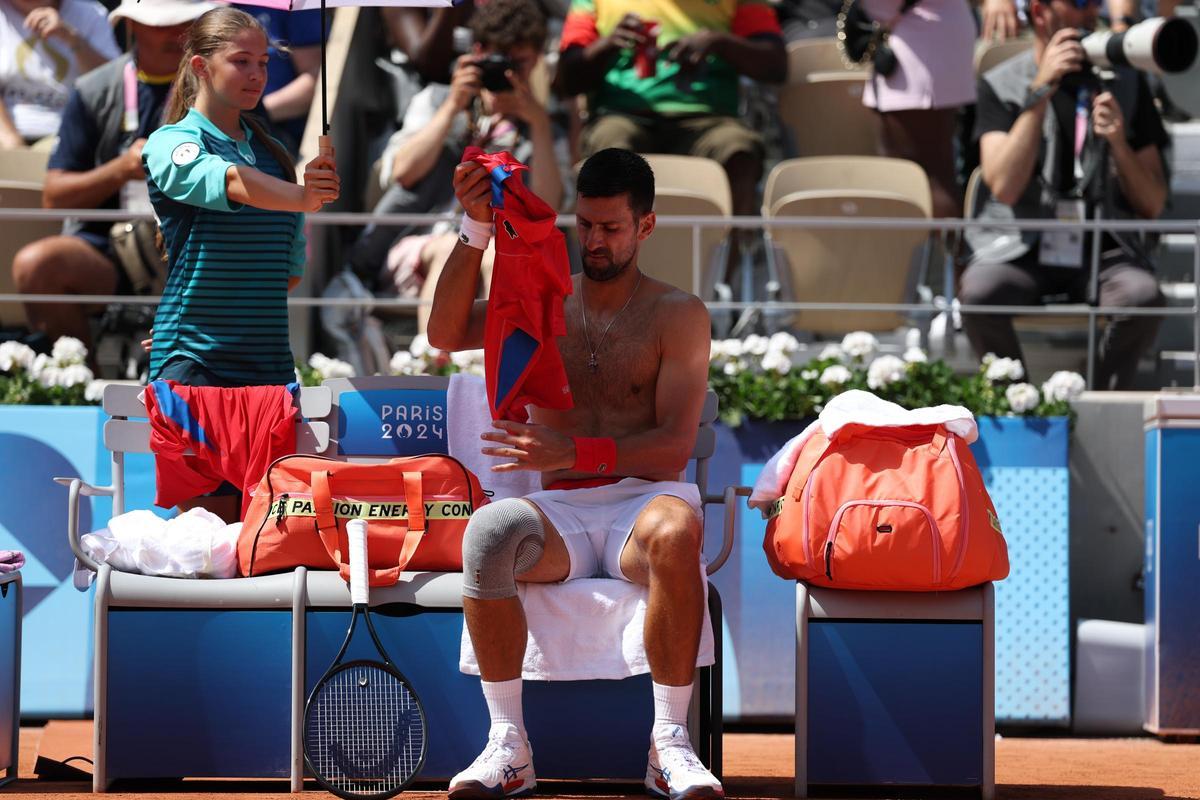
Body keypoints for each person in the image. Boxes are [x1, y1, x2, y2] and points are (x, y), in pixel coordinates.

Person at [428, 147, 720, 800]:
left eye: (611, 227)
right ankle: (509, 746)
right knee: (487, 534)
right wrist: (475, 229)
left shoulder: (679, 314)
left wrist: (574, 455)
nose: (594, 240)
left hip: (643, 507)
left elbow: (672, 445)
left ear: (646, 226)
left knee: (678, 532)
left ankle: (668, 743)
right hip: (561, 518)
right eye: (585, 224)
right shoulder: (543, 299)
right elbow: (444, 334)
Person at [960, 0, 1168, 389]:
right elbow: (1004, 185)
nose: (1091, 14)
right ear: (1039, 12)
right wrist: (1038, 95)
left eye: (1096, 3)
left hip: (1100, 250)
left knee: (1143, 296)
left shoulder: (1126, 82)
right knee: (979, 293)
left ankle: (1098, 401)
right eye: (1078, 3)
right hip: (1020, 247)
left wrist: (1119, 144)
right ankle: (1015, 398)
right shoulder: (1000, 83)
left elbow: (1153, 202)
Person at [143, 5, 338, 388]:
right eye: (241, 61)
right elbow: (232, 182)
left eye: (263, 63)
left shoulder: (275, 154)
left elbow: (289, 271)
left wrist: (232, 320)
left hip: (271, 368)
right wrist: (303, 196)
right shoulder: (171, 142)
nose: (256, 75)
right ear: (201, 67)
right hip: (194, 364)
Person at [341, 0, 566, 333]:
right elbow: (403, 171)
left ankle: (493, 364)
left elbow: (549, 206)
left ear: (536, 60)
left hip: (501, 256)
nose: (507, 73)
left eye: (518, 62)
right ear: (477, 52)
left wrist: (538, 124)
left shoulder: (546, 127)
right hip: (419, 244)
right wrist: (452, 108)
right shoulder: (435, 100)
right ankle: (434, 359)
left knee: (494, 256)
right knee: (454, 248)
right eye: (497, 60)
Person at [11, 0, 212, 348]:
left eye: (185, 22)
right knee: (36, 265)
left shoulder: (224, 85)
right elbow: (53, 196)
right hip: (110, 251)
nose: (175, 34)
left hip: (203, 248)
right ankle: (81, 384)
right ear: (131, 26)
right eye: (161, 23)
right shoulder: (93, 90)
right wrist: (121, 170)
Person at [554, 1, 786, 219]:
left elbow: (776, 65)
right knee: (612, 150)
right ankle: (616, 259)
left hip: (709, 122)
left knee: (738, 148)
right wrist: (608, 44)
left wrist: (719, 43)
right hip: (621, 117)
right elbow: (567, 80)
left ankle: (723, 259)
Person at [859, 0, 976, 221]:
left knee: (926, 178)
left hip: (922, 48)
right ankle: (939, 254)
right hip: (926, 43)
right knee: (927, 175)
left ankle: (942, 255)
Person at [0, 0, 119, 149]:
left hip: (65, 135)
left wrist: (70, 37)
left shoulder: (91, 13)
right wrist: (13, 144)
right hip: (7, 134)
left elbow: (113, 84)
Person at [233, 3, 324, 154]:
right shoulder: (207, 8)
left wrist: (256, 114)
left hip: (277, 133)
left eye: (263, 62)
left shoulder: (296, 6)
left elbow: (315, 78)